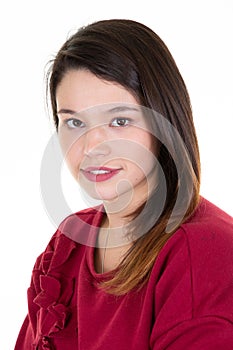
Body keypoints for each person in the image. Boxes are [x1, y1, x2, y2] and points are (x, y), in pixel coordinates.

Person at [15, 19, 233, 349]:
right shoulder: (67, 244)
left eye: (120, 121)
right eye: (74, 122)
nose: (90, 147)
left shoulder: (201, 251)